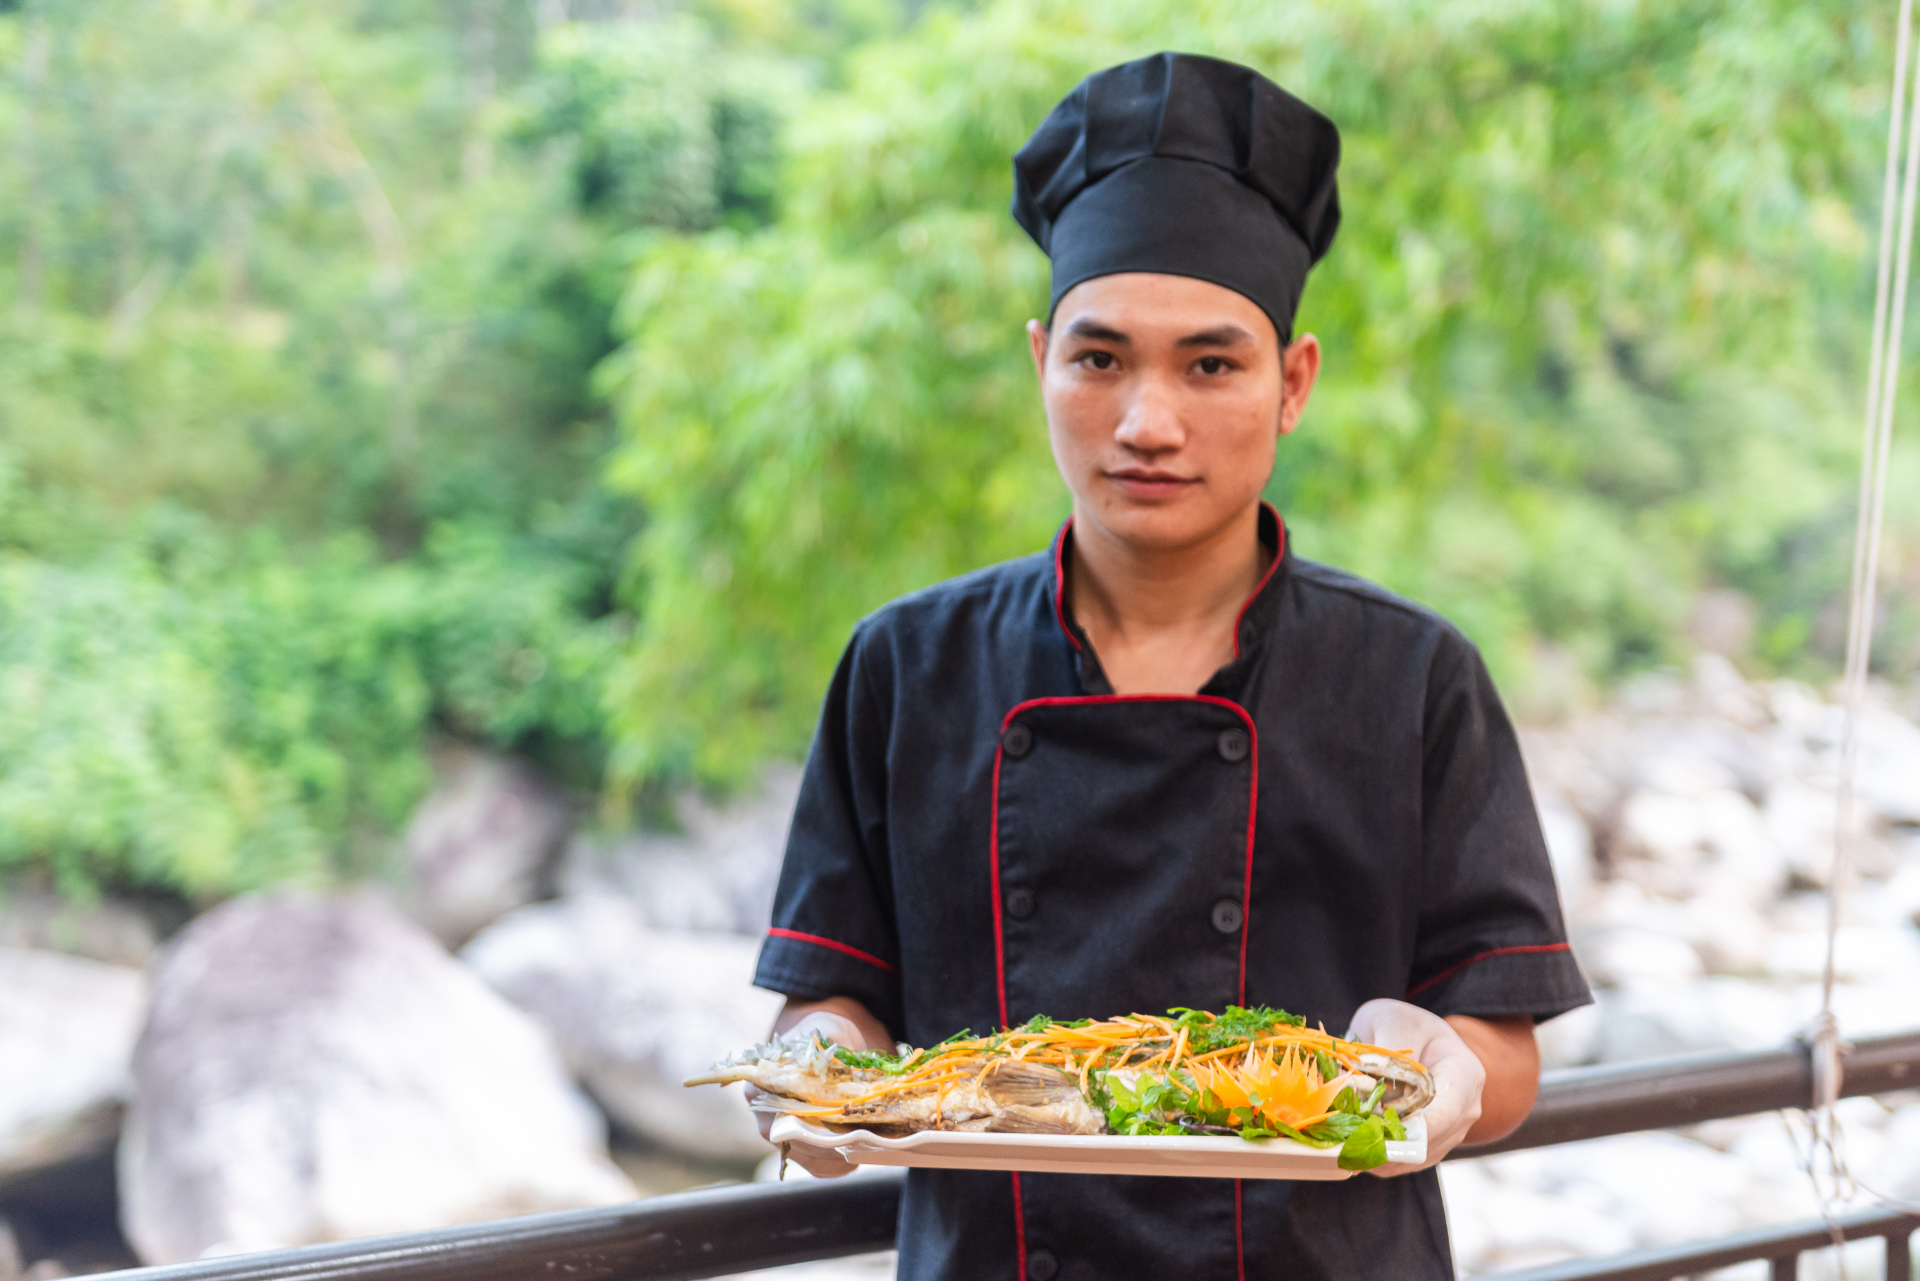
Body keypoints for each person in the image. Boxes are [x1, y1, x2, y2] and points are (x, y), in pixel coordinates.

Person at [748, 51, 1591, 1280]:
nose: (1148, 422)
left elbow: (1502, 1048)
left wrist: (1444, 1065)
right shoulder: (904, 666)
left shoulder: (1412, 678)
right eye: (1100, 360)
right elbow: (834, 994)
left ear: (1291, 383)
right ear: (1040, 361)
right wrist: (813, 1069)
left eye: (1210, 364)